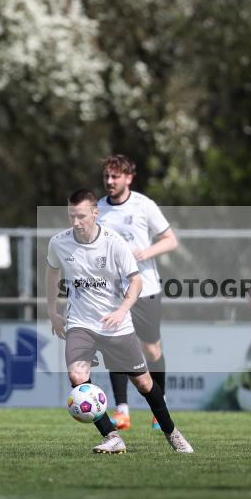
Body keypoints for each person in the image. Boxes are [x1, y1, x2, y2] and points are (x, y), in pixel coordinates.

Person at [46, 189, 193, 454]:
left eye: (81, 216)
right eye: (71, 216)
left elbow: (136, 281)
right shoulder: (59, 242)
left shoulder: (114, 243)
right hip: (81, 322)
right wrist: (52, 311)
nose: (76, 222)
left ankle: (172, 432)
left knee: (144, 383)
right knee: (77, 376)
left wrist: (122, 310)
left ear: (95, 213)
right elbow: (51, 272)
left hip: (116, 325)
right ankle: (111, 436)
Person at [96, 155, 179, 431]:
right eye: (106, 176)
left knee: (151, 349)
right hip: (112, 291)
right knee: (114, 344)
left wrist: (145, 252)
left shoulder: (144, 205)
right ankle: (122, 411)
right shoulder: (99, 209)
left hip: (146, 288)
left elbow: (170, 240)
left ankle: (160, 407)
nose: (109, 182)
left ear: (129, 178)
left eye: (115, 177)